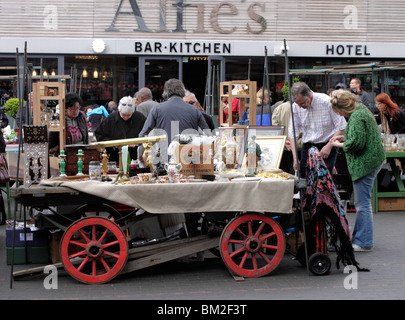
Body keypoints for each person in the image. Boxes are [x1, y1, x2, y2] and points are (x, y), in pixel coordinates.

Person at [330, 89, 385, 251]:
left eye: (339, 112)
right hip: (371, 160)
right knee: (363, 203)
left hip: (366, 164)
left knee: (363, 205)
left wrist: (340, 144)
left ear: (344, 107)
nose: (340, 115)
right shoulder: (360, 110)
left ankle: (363, 241)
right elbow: (358, 136)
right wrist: (344, 136)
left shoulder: (357, 116)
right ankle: (362, 238)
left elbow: (356, 144)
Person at [288, 82, 347, 178]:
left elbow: (342, 126)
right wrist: (295, 158)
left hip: (326, 145)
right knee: (303, 177)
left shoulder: (326, 102)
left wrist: (329, 146)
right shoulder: (296, 106)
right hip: (308, 146)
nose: (300, 107)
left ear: (310, 96)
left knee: (323, 180)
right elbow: (292, 133)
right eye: (298, 104)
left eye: (302, 103)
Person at [139, 78, 209, 144]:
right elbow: (208, 135)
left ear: (165, 91)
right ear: (182, 91)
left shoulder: (157, 109)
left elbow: (143, 134)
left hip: (165, 154)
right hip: (189, 153)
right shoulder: (194, 110)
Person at [95, 96, 146, 162]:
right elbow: (99, 135)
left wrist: (137, 143)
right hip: (115, 156)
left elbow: (146, 134)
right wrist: (115, 144)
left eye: (128, 115)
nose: (125, 117)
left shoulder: (139, 118)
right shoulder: (111, 119)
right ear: (119, 110)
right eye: (123, 114)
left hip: (134, 156)